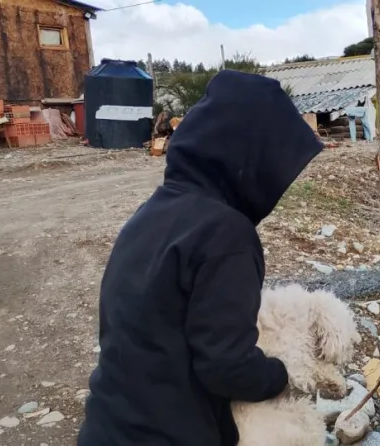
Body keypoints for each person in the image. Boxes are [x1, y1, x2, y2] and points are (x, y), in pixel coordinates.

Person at [77, 71, 323, 445]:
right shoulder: (227, 234)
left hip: (108, 426)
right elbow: (226, 366)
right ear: (251, 157)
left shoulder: (153, 211)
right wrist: (283, 376)